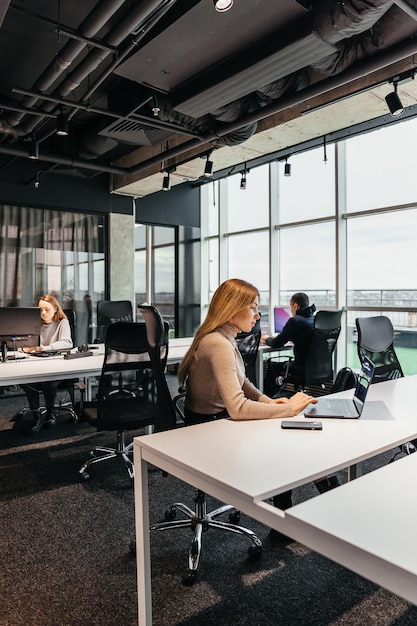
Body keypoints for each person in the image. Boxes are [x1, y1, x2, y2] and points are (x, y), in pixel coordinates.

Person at [178, 279, 317, 425]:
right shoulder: (218, 343)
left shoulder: (226, 338)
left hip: (218, 420)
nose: (257, 315)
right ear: (232, 309)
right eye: (253, 308)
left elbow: (242, 382)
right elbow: (238, 408)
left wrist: (269, 402)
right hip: (208, 426)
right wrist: (289, 409)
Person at [21, 294, 73, 433]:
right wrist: (25, 347)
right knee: (28, 381)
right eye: (40, 310)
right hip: (36, 364)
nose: (43, 313)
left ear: (55, 309)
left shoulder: (62, 322)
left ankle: (51, 413)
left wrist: (45, 348)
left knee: (48, 382)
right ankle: (36, 415)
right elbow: (23, 341)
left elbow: (67, 342)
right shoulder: (35, 323)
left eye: (47, 309)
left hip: (57, 365)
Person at [262, 292, 316, 397]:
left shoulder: (295, 321)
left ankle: (268, 398)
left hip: (300, 367)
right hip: (315, 367)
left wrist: (266, 339)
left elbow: (276, 344)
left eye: (291, 306)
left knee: (273, 366)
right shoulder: (313, 319)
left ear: (296, 306)